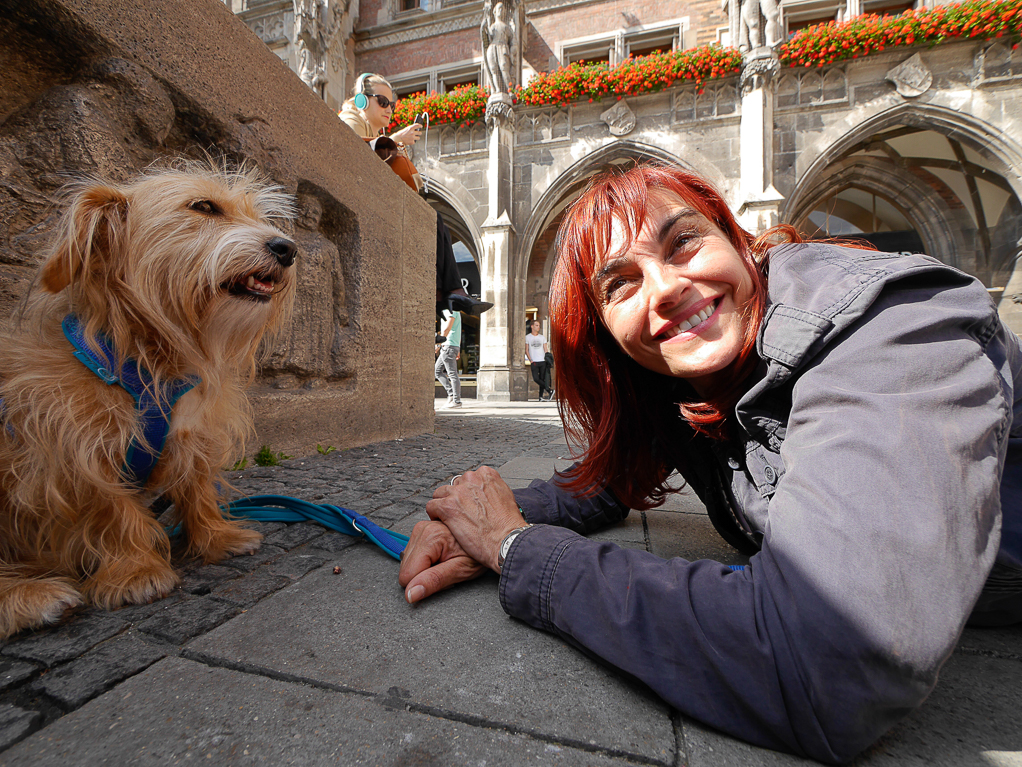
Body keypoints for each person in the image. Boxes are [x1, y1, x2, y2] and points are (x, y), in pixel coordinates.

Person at [397, 163, 1022, 763]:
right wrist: (477, 518)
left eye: (683, 242)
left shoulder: (891, 325)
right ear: (604, 338)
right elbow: (615, 480)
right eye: (621, 284)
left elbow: (826, 664)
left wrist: (515, 548)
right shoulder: (683, 372)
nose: (666, 289)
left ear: (736, 236)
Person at [338, 73, 492, 317]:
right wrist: (396, 140)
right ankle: (448, 295)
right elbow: (353, 154)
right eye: (382, 101)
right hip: (360, 200)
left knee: (437, 224)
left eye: (392, 104)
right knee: (433, 224)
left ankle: (448, 294)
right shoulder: (350, 119)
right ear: (361, 101)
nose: (389, 109)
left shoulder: (370, 127)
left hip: (378, 201)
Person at [435, 309, 462, 409]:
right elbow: (457, 330)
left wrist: (439, 343)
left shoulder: (451, 309)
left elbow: (448, 327)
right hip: (450, 345)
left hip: (448, 346)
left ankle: (456, 401)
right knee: (437, 371)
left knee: (452, 374)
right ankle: (451, 395)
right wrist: (458, 347)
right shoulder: (455, 310)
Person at [524, 320, 553, 401]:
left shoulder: (542, 337)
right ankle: (549, 390)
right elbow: (526, 350)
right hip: (534, 361)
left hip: (542, 361)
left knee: (542, 379)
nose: (538, 327)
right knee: (536, 379)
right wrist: (531, 360)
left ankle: (540, 397)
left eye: (539, 325)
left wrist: (547, 359)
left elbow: (545, 349)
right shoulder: (527, 337)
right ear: (532, 326)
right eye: (536, 325)